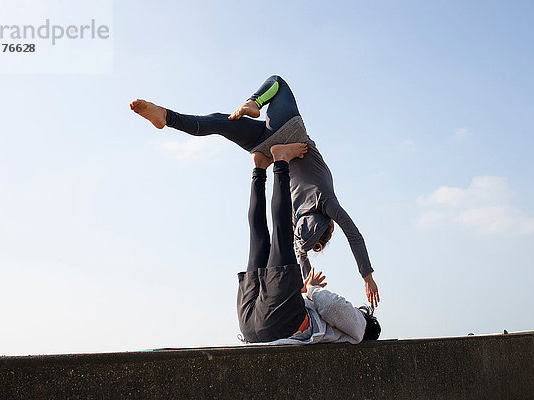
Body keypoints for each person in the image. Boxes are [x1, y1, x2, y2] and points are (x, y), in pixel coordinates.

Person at [130, 75, 380, 309]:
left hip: (289, 131)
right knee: (221, 122)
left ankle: (251, 102)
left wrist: (368, 276)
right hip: (267, 149)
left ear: (327, 225)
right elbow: (301, 255)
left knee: (277, 82)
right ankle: (166, 117)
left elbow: (353, 234)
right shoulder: (295, 220)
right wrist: (308, 289)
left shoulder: (325, 201)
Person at [237, 143, 380, 344]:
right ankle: (259, 168)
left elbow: (328, 305)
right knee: (258, 238)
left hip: (280, 321)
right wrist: (304, 287)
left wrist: (312, 288)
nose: (353, 309)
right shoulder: (336, 335)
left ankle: (281, 161)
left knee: (280, 231)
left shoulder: (359, 326)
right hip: (251, 326)